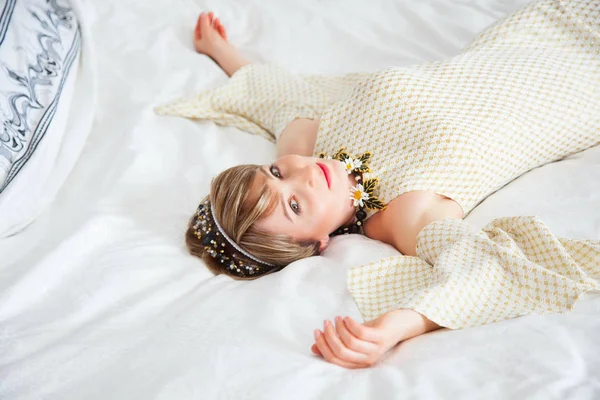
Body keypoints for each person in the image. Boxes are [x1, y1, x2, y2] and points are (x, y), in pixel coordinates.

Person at [156, 2, 600, 369]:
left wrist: (221, 50)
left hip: (525, 34)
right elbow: (479, 270)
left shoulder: (303, 142)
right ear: (316, 244)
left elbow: (272, 93)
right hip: (581, 81)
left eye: (274, 173)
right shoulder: (405, 213)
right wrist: (394, 328)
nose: (302, 174)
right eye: (294, 205)